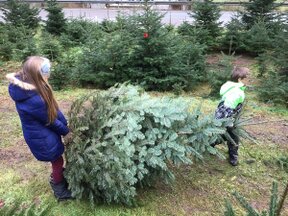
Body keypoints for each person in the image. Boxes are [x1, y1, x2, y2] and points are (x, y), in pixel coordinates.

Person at [6, 56, 73, 201]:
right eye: (46, 73)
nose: (48, 76)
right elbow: (50, 120)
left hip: (45, 133)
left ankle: (58, 177)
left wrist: (65, 123)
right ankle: (60, 191)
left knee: (57, 160)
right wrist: (66, 132)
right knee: (57, 161)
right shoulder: (33, 99)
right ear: (38, 75)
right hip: (42, 138)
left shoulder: (35, 87)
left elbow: (54, 109)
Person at [213, 66, 249, 166]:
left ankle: (210, 144)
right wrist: (230, 122)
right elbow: (228, 107)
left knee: (221, 133)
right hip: (227, 118)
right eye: (247, 77)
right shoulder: (237, 92)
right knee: (233, 136)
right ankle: (233, 157)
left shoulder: (231, 86)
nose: (249, 79)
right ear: (239, 79)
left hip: (221, 116)